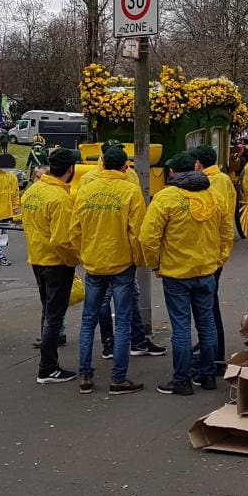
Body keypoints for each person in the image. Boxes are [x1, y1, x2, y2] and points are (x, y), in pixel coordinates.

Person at [139, 152, 230, 396]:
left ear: (172, 173)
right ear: (196, 168)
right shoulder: (214, 196)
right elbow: (226, 233)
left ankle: (181, 380)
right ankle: (208, 375)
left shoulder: (166, 198)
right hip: (206, 270)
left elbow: (148, 237)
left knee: (181, 327)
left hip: (176, 273)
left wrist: (155, 264)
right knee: (207, 324)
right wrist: (218, 260)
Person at [71, 146, 146, 395]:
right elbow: (137, 232)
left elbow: (75, 229)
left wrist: (84, 254)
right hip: (121, 263)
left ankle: (85, 375)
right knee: (122, 321)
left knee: (88, 320)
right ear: (125, 167)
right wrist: (138, 259)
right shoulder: (130, 191)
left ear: (102, 164)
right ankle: (118, 378)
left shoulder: (86, 189)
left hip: (94, 263)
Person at [21, 147, 80, 383]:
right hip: (56, 263)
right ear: (70, 169)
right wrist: (73, 260)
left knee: (48, 311)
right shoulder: (60, 198)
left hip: (37, 258)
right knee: (54, 316)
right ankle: (47, 367)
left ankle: (48, 364)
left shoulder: (33, 191)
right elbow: (62, 240)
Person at [191, 144, 233, 373]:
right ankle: (211, 346)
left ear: (199, 163)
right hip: (216, 248)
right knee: (209, 303)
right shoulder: (223, 179)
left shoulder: (209, 182)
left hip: (209, 250)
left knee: (208, 306)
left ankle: (215, 354)